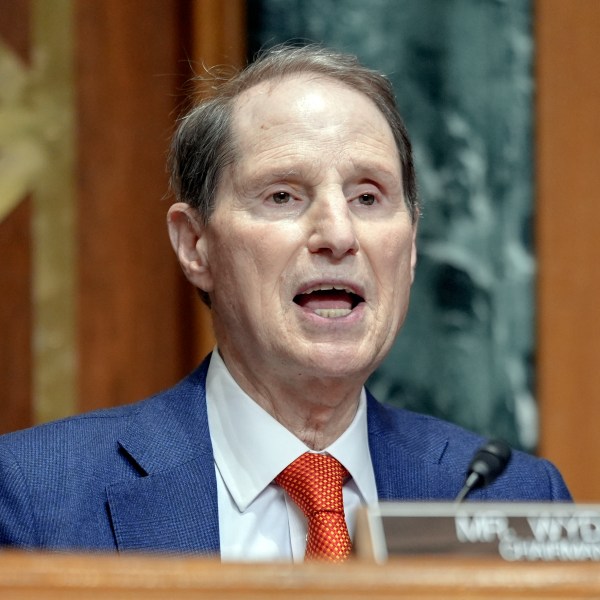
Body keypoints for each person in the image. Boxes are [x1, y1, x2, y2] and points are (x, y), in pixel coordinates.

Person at [0, 45, 570, 561]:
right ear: (195, 245)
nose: (339, 234)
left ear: (412, 243)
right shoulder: (38, 498)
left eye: (368, 197)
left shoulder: (512, 499)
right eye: (283, 195)